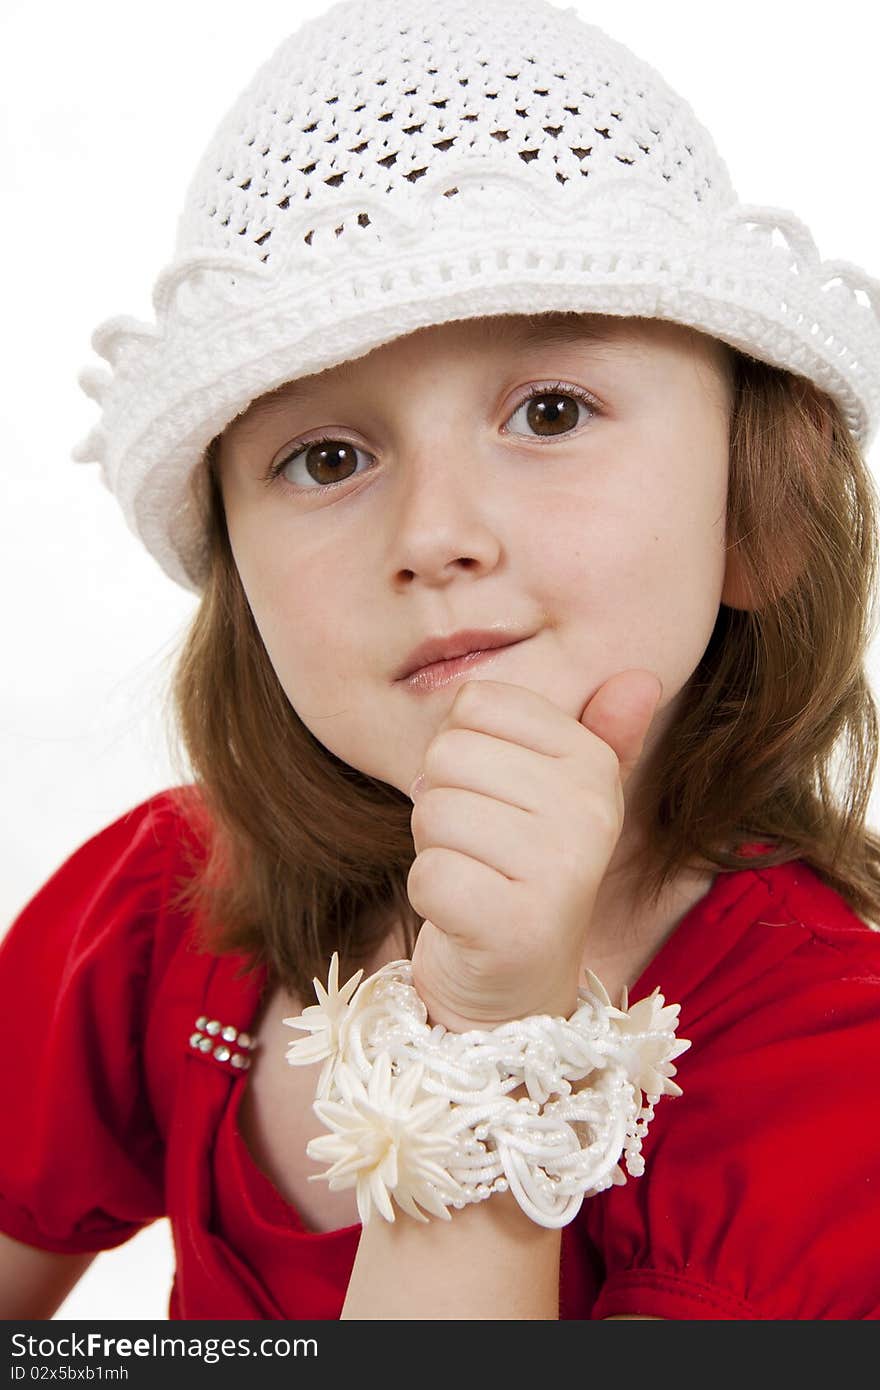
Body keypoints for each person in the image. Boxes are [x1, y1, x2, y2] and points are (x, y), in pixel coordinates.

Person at [2, 0, 879, 1322]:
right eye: (328, 457)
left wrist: (491, 1031)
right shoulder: (159, 907)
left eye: (551, 410)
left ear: (756, 515)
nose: (435, 536)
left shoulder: (831, 1071)